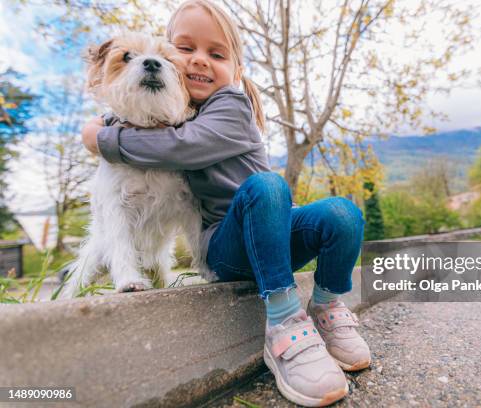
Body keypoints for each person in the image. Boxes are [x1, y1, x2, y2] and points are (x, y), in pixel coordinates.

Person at [81, 1, 370, 405]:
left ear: (236, 70)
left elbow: (180, 148)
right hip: (228, 252)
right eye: (186, 49)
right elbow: (140, 120)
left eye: (216, 54)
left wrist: (102, 139)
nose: (200, 60)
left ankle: (325, 309)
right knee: (268, 189)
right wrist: (107, 120)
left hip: (269, 237)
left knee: (338, 212)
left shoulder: (230, 105)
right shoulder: (175, 110)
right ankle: (285, 323)